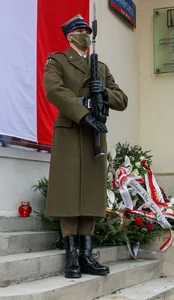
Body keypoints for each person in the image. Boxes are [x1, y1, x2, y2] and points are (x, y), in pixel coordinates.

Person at [43, 14, 128, 279]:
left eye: (87, 30)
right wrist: (83, 113)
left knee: (90, 195)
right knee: (68, 194)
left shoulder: (99, 67)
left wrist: (103, 92)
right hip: (71, 130)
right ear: (69, 36)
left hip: (94, 134)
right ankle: (71, 259)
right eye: (80, 30)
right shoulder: (57, 60)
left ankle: (87, 255)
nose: (85, 34)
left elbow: (122, 99)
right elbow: (54, 90)